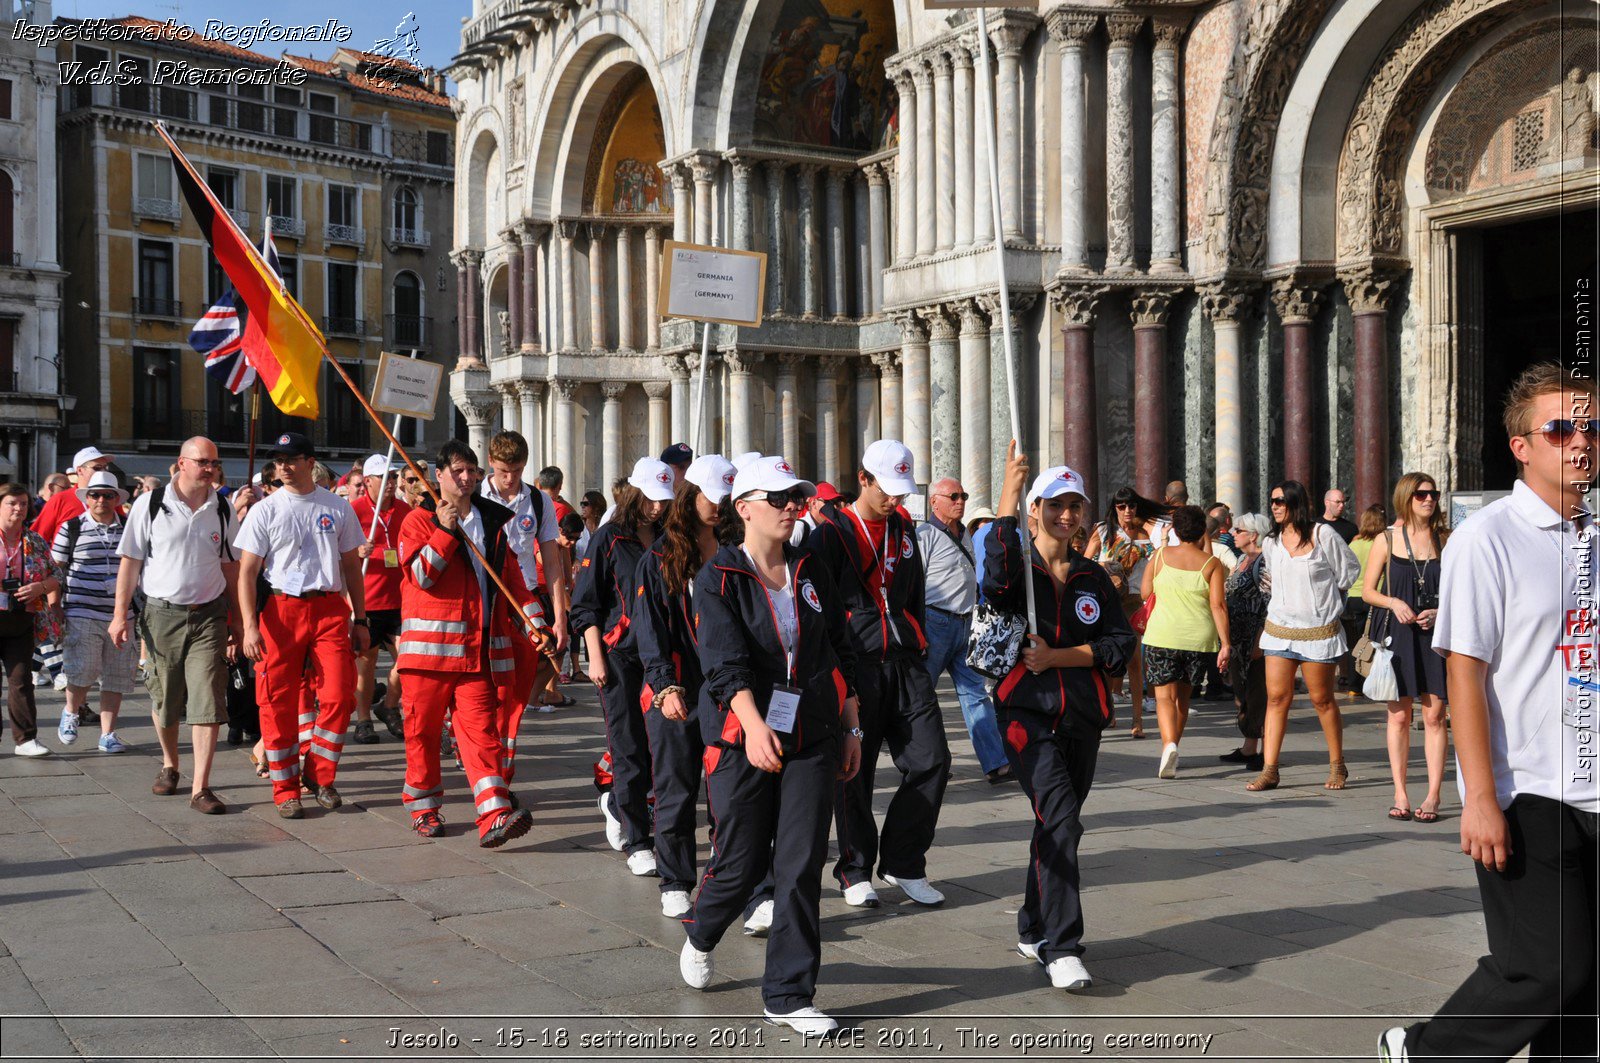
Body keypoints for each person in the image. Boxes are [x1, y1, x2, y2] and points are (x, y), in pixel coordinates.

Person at [1380, 363, 1599, 1062]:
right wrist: (1476, 796)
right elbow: (1464, 672)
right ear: (1521, 445)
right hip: (1527, 788)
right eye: (1561, 428)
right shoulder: (1489, 539)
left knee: (1587, 990)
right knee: (1548, 966)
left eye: (1591, 426)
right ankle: (1424, 1052)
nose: (1580, 442)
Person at [677, 453, 862, 1037]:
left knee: (802, 861)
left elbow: (838, 645)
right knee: (741, 861)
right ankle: (703, 931)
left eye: (796, 497)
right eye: (778, 497)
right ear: (744, 507)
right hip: (740, 735)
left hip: (812, 732)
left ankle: (787, 993)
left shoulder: (811, 569)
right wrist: (754, 726)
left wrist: (851, 720)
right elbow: (723, 665)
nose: (791, 506)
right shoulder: (719, 578)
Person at [985, 444, 1135, 993]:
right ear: (1036, 510)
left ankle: (1031, 924)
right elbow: (994, 570)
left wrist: (1061, 656)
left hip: (1083, 717)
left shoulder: (1094, 576)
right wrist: (1009, 487)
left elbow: (1120, 641)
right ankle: (1061, 945)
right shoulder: (1016, 569)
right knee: (1062, 818)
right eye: (1054, 505)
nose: (1065, 515)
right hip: (1028, 714)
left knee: (1056, 823)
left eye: (1075, 506)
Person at [807, 439, 951, 908]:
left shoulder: (905, 529)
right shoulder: (829, 535)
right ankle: (854, 869)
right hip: (857, 664)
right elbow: (819, 610)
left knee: (932, 760)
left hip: (907, 662)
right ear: (863, 479)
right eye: (887, 490)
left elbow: (912, 597)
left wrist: (920, 646)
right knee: (855, 770)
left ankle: (904, 861)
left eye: (903, 492)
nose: (896, 500)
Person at [395, 439, 544, 847]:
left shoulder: (493, 522)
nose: (466, 478)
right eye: (458, 471)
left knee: (483, 736)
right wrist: (444, 531)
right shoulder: (417, 521)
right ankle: (424, 807)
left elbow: (514, 584)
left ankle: (495, 815)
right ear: (438, 475)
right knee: (422, 735)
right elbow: (423, 575)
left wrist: (538, 626)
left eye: (472, 471)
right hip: (427, 657)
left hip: (475, 656)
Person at [235, 432, 368, 819]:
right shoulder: (266, 509)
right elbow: (246, 573)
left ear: (311, 462)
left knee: (341, 693)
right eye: (278, 460)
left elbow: (350, 567)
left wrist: (360, 618)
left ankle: (319, 774)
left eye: (292, 459)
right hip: (279, 609)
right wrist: (249, 626)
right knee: (275, 701)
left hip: (328, 608)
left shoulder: (336, 507)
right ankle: (285, 789)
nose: (284, 467)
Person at [111, 437, 238, 812]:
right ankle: (170, 764)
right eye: (202, 461)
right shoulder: (151, 504)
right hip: (161, 613)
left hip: (210, 614)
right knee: (165, 699)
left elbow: (231, 567)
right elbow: (130, 562)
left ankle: (202, 787)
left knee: (207, 698)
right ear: (181, 463)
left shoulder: (223, 508)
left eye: (214, 462)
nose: (210, 468)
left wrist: (240, 620)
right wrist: (120, 615)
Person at [634, 453, 736, 918]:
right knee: (675, 787)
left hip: (727, 689)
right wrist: (664, 684)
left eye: (726, 500)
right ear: (690, 498)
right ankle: (674, 877)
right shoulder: (660, 556)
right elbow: (650, 628)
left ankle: (728, 876)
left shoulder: (735, 549)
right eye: (712, 499)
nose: (719, 508)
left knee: (727, 790)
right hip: (676, 688)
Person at [572, 457, 676, 873]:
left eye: (663, 501)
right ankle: (637, 840)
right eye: (651, 499)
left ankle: (619, 803)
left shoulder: (671, 538)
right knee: (628, 745)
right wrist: (594, 656)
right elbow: (587, 604)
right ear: (635, 494)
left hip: (663, 657)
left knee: (661, 746)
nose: (657, 508)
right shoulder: (609, 538)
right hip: (619, 656)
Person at [1247, 479, 1362, 792]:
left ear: (1297, 502)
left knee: (1321, 699)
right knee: (1276, 699)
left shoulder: (1323, 534)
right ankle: (1270, 769)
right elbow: (1270, 579)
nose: (1275, 506)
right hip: (1280, 629)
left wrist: (1329, 599)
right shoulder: (1271, 541)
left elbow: (1350, 571)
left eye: (1281, 501)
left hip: (1317, 630)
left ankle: (1338, 764)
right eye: (1272, 501)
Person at [1363, 473, 1451, 824]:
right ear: (1406, 498)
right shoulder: (1386, 539)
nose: (1429, 500)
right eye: (1421, 494)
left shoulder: (1446, 539)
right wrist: (1392, 602)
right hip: (1397, 636)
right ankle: (1400, 791)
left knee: (1434, 716)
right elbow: (1367, 591)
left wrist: (1440, 610)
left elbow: (1461, 590)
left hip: (1435, 636)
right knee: (1399, 715)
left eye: (1433, 494)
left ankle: (1433, 795)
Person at [918, 477, 1008, 784]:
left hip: (965, 622)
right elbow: (915, 583)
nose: (960, 501)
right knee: (921, 698)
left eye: (963, 495)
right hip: (935, 623)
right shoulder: (924, 534)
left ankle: (996, 763)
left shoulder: (964, 532)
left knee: (976, 695)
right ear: (934, 502)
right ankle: (926, 762)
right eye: (953, 496)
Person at [481, 431, 570, 726]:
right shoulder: (476, 496)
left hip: (527, 598)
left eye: (517, 470)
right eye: (504, 471)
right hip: (487, 597)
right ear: (491, 461)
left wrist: (559, 618)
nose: (510, 478)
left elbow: (553, 562)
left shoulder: (538, 500)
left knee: (521, 675)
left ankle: (504, 735)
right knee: (483, 678)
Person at [1139, 505, 1231, 780]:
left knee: (1164, 698)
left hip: (1162, 634)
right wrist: (1225, 643)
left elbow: (1145, 591)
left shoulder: (1160, 556)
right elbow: (1218, 605)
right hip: (1198, 638)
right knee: (1183, 697)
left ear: (1176, 530)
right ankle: (1174, 746)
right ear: (1202, 530)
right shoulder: (1211, 563)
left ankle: (1168, 746)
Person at [52, 471, 137, 753]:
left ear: (116, 499)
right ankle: (71, 711)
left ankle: (108, 734)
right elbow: (56, 569)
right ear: (87, 498)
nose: (101, 499)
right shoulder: (71, 527)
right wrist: (54, 607)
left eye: (107, 495)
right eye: (95, 494)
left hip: (121, 613)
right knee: (83, 667)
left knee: (117, 674)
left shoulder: (129, 528)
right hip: (81, 609)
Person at [1084, 488, 1169, 736]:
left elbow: (1161, 560)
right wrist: (1108, 571)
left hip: (1134, 600)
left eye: (1131, 506)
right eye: (1122, 507)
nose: (1127, 511)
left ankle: (1137, 721)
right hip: (1107, 600)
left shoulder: (1147, 533)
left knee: (1134, 661)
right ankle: (1108, 711)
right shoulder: (1104, 530)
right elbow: (1085, 562)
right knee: (1105, 658)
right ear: (1115, 508)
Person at [349, 454, 410, 743]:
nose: (391, 484)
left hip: (400, 599)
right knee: (366, 661)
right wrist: (357, 552)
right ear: (369, 481)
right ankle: (362, 720)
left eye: (394, 478)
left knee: (408, 658)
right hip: (368, 600)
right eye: (384, 478)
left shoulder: (404, 510)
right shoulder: (355, 510)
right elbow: (340, 554)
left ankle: (388, 707)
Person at [0, 482, 61, 757]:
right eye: (12, 503)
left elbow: (56, 575)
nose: (18, 508)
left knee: (22, 680)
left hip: (22, 618)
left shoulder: (34, 540)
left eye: (23, 503)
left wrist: (40, 588)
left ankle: (25, 740)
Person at [1220, 513, 1271, 771]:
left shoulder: (1264, 562)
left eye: (1238, 530)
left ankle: (1265, 751)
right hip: (1238, 637)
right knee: (1243, 692)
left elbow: (1268, 602)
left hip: (1255, 637)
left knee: (1258, 692)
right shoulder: (1241, 559)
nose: (1232, 533)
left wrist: (1260, 640)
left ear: (1253, 535)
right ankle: (1249, 746)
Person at [1340, 504, 1387, 696]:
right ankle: (1373, 683)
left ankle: (1354, 686)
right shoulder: (1383, 543)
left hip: (1352, 599)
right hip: (1374, 597)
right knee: (1375, 642)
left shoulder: (1354, 544)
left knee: (1356, 643)